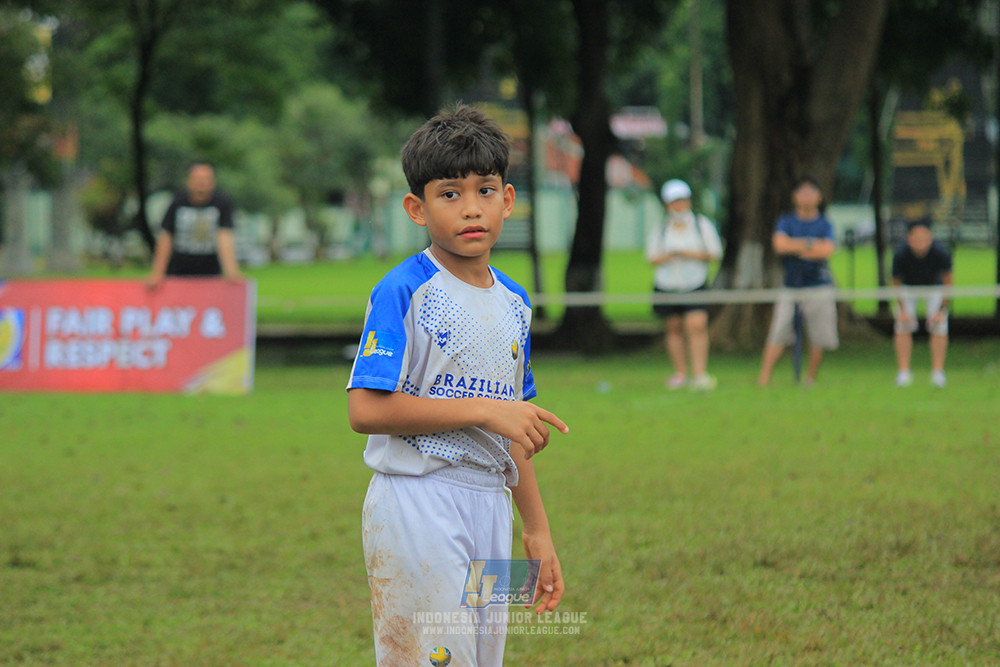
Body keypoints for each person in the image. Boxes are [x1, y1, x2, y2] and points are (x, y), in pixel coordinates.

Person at [346, 105, 569, 667]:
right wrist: (484, 410)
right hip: (418, 502)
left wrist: (537, 530)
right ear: (417, 208)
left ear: (508, 200)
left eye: (485, 190)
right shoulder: (404, 289)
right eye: (450, 194)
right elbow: (365, 410)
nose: (471, 208)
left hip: (491, 505)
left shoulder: (516, 302)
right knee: (438, 659)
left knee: (481, 659)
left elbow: (514, 427)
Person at [758, 177, 838, 386]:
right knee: (779, 332)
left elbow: (827, 250)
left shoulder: (825, 224)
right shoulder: (786, 221)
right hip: (791, 285)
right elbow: (780, 245)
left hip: (819, 286)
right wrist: (811, 244)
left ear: (819, 197)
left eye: (811, 192)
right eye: (803, 192)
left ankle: (810, 378)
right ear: (795, 197)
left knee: (818, 335)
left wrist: (796, 246)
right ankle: (764, 379)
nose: (807, 197)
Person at [645, 179, 723, 390]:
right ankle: (680, 373)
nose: (679, 206)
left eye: (682, 200)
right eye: (674, 202)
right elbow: (651, 257)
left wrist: (688, 254)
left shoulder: (701, 224)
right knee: (674, 327)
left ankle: (700, 374)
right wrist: (669, 256)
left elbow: (715, 253)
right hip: (667, 283)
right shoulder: (662, 228)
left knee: (696, 325)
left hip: (694, 281)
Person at [146, 161, 242, 289]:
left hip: (210, 273)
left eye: (206, 179)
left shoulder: (222, 203)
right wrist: (157, 273)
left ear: (213, 182)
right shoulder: (177, 203)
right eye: (197, 179)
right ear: (188, 181)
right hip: (178, 272)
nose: (201, 183)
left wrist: (231, 271)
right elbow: (166, 237)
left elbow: (224, 236)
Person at [891, 218, 953, 387]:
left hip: (934, 288)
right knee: (902, 325)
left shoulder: (940, 252)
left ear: (930, 238)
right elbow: (896, 282)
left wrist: (941, 310)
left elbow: (948, 281)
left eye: (924, 238)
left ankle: (938, 372)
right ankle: (904, 372)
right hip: (908, 288)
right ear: (909, 238)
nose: (920, 243)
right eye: (916, 239)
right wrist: (902, 310)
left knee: (939, 326)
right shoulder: (900, 254)